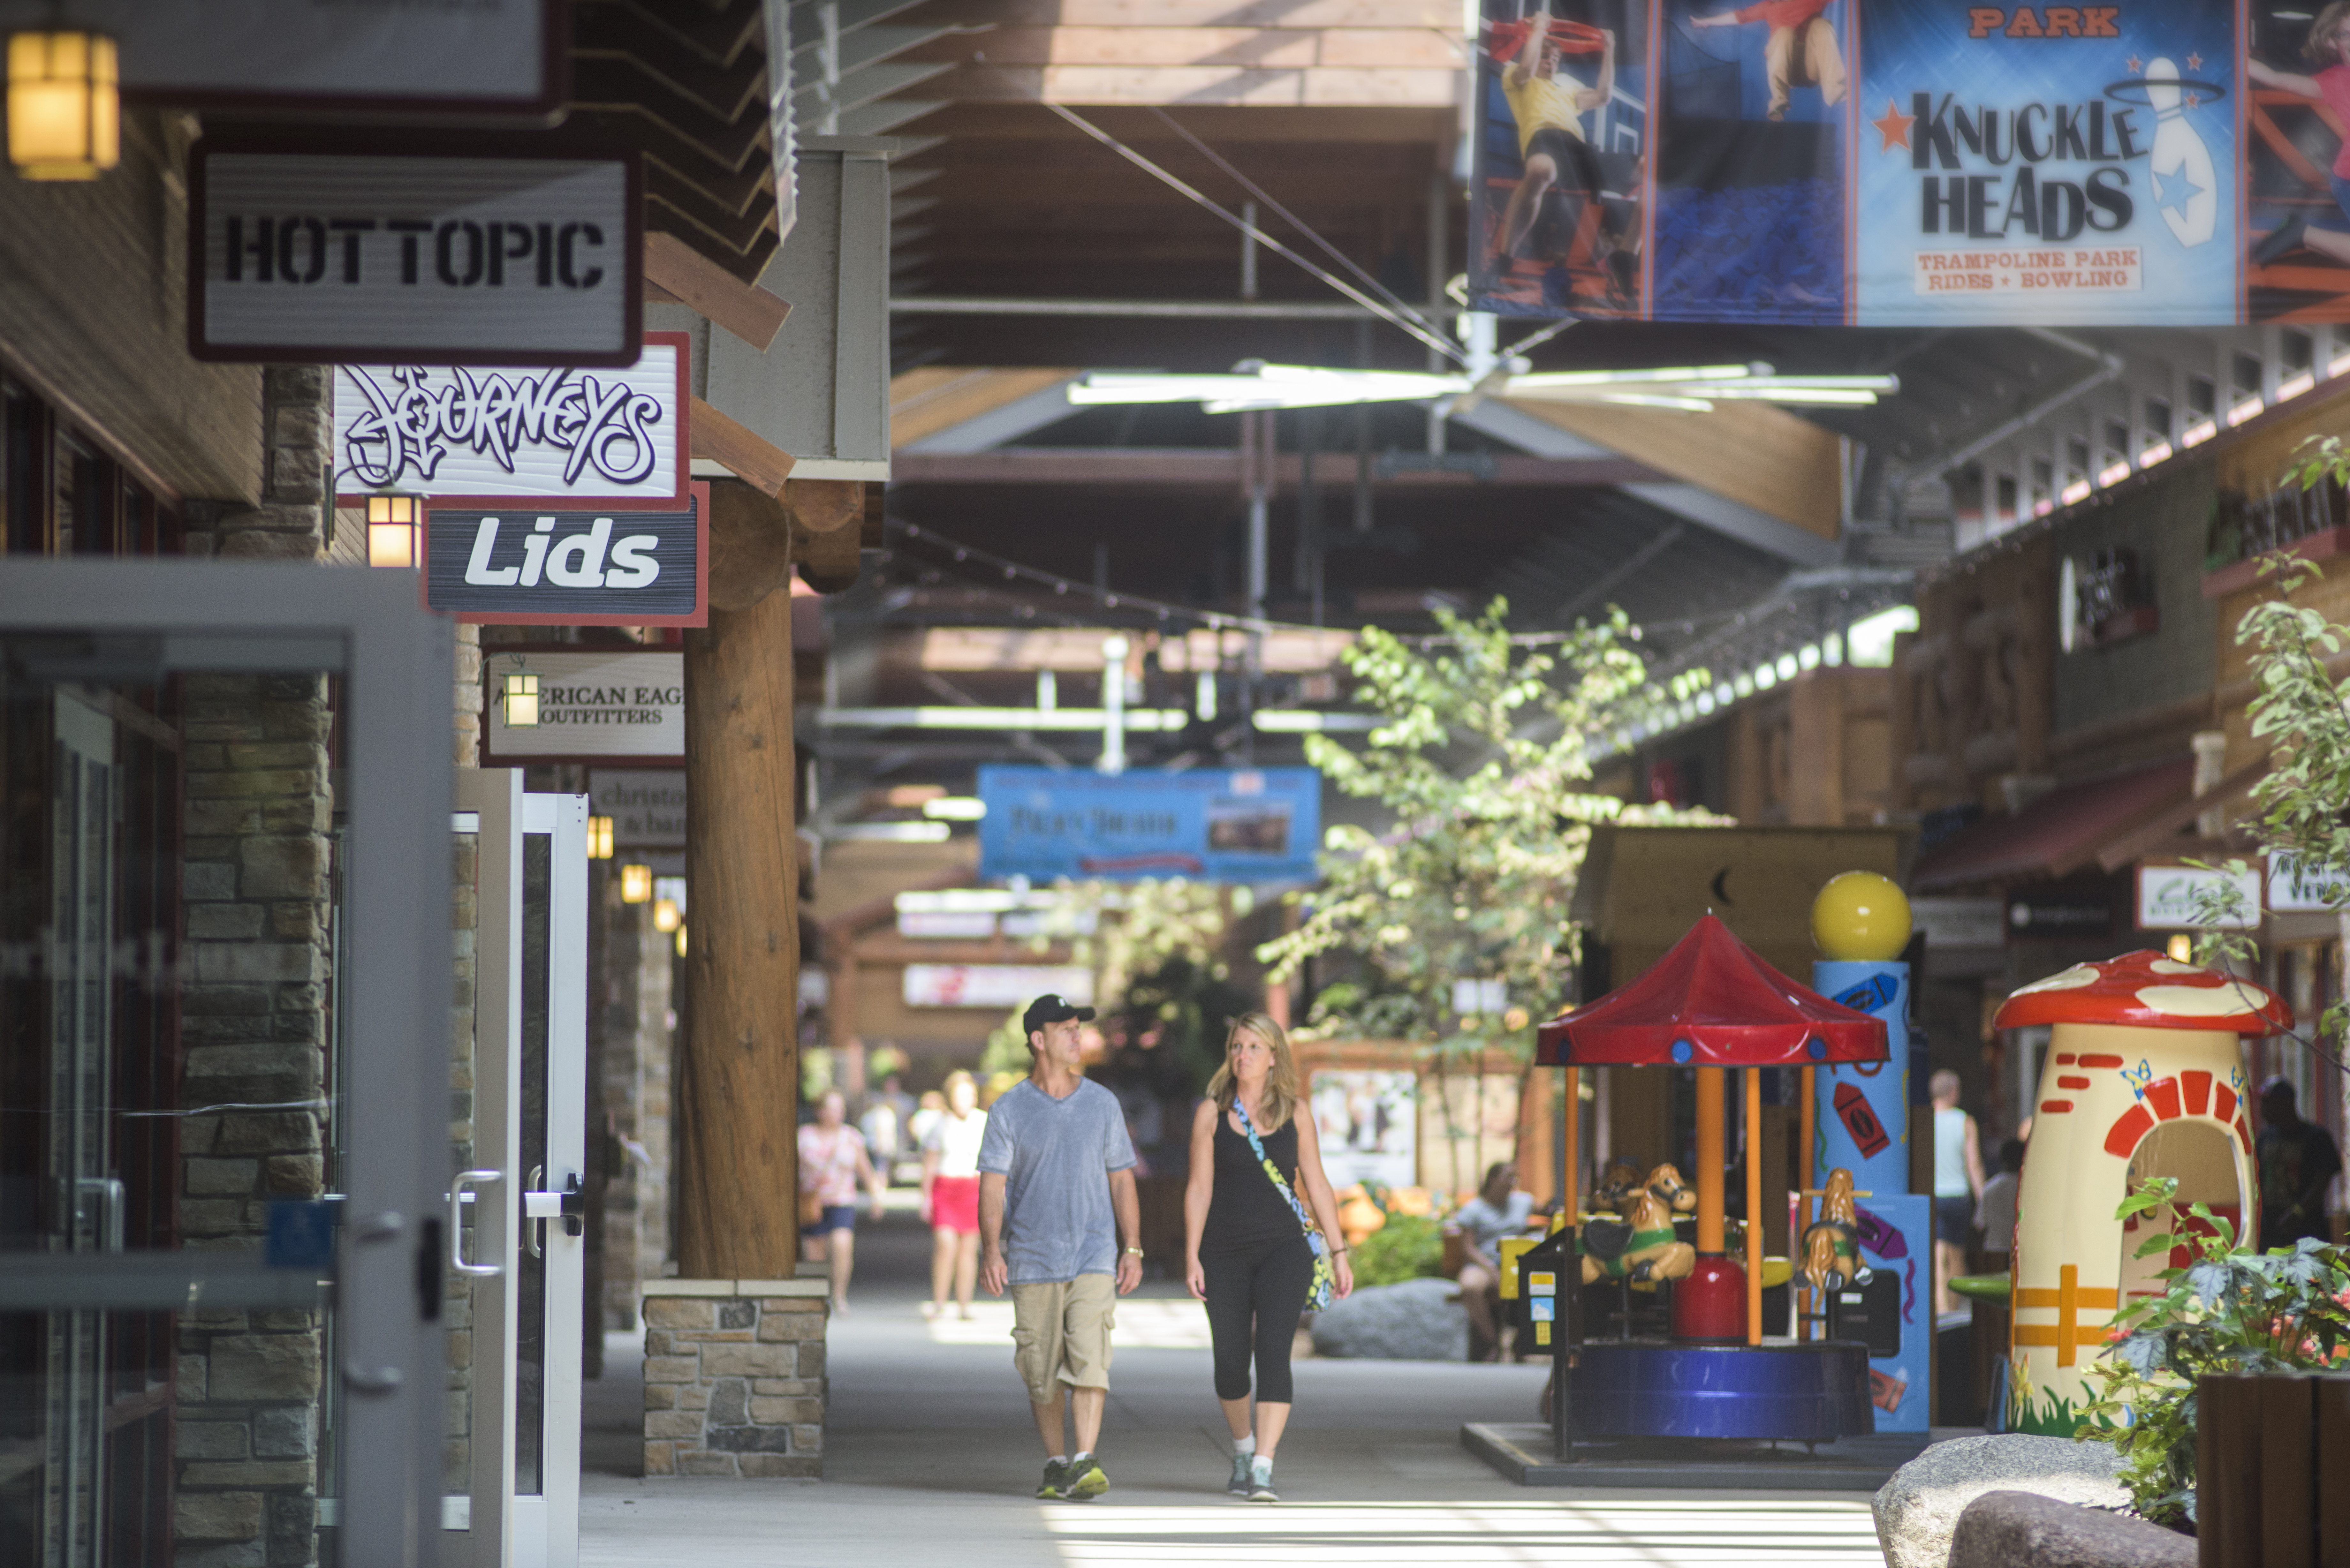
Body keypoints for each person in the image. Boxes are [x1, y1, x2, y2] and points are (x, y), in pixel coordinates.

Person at [1183, 1012, 1353, 1505]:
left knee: (1274, 1353)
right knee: (1230, 1362)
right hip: (1224, 1252)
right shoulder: (1211, 1113)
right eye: (1237, 1047)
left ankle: (1264, 1465)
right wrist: (1193, 1254)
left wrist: (1339, 1251)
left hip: (1286, 1249)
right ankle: (1242, 1449)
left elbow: (1316, 1183)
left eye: (1254, 1048)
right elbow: (1199, 1187)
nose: (1243, 1056)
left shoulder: (1296, 1112)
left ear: (1274, 1057)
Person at [979, 994, 1143, 1503]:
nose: (1078, 1037)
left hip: (1093, 1254)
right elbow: (991, 1186)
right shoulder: (1009, 1110)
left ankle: (1086, 1460)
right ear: (1038, 1040)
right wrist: (992, 1249)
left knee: (1091, 1356)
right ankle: (1057, 1464)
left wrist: (1132, 1246)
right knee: (1041, 1371)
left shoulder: (1101, 1103)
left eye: (1079, 1028)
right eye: (1067, 1029)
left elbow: (1122, 1180)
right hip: (1032, 1258)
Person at [1490, 15, 1618, 263]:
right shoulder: (1516, 77)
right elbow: (1527, 68)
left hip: (1574, 145)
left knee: (1639, 170)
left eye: (1556, 59)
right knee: (1540, 170)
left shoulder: (1568, 88)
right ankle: (1506, 256)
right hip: (1544, 137)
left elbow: (1603, 97)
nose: (1552, 63)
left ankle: (1617, 249)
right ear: (1536, 54)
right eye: (1546, 57)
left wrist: (1610, 48)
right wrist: (1538, 30)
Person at [2249, 4, 2350, 265]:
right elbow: (2276, 79)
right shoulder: (2336, 81)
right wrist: (2230, 53)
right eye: (2346, 34)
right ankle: (2303, 233)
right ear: (2332, 42)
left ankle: (2302, 233)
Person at [799, 1089, 885, 1314]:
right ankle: (818, 1297)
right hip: (813, 1202)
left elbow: (865, 1168)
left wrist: (876, 1195)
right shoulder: (805, 1135)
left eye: (841, 1108)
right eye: (833, 1108)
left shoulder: (851, 1137)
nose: (838, 1113)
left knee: (842, 1244)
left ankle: (839, 1295)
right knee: (814, 1256)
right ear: (820, 1111)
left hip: (842, 1200)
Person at [1690, 0, 1845, 122]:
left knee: (1822, 25)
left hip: (1812, 66)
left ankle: (1835, 91)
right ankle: (1779, 102)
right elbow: (1740, 16)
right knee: (1785, 32)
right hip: (1786, 68)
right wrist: (1707, 21)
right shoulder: (1768, 6)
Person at [1452, 1161, 1536, 1361]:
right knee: (1470, 1287)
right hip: (1485, 1262)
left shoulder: (1524, 1202)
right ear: (1493, 1179)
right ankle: (1494, 1342)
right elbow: (1468, 1247)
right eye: (1508, 1177)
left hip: (1519, 1262)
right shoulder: (1473, 1209)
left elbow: (1551, 1213)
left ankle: (1521, 1341)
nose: (1512, 1182)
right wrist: (1491, 1269)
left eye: (1515, 1178)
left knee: (1545, 1286)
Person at [922, 1070, 988, 1320]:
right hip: (945, 1189)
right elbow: (929, 1163)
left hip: (972, 1189)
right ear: (950, 1097)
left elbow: (993, 1163)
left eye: (969, 1095)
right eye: (959, 1095)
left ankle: (964, 1304)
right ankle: (939, 1301)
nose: (965, 1100)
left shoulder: (984, 1122)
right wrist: (925, 1196)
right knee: (946, 1244)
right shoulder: (939, 1124)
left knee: (969, 1249)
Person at [2257, 1076, 2344, 1248]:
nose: (2263, 1109)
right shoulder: (2265, 1138)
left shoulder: (2317, 1137)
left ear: (2286, 1103)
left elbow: (2323, 1181)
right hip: (2271, 1234)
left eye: (2269, 1103)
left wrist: (2298, 1211)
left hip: (2307, 1233)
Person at [1929, 1070, 1986, 1314]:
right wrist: (1983, 1199)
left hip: (1933, 1196)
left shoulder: (1924, 1120)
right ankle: (1952, 1310)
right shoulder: (1966, 1122)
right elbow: (1973, 1163)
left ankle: (1940, 1307)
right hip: (1957, 1197)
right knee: (1956, 1255)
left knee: (1937, 1253)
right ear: (1953, 1092)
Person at [1975, 1137, 2025, 1262]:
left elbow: (1980, 1225)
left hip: (1994, 1252)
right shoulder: (2028, 1188)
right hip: (2021, 1253)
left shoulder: (1990, 1187)